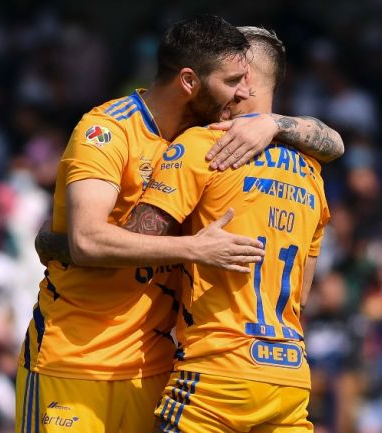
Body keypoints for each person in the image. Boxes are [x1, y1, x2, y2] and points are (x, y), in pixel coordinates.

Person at [23, 16, 342, 433]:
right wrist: (193, 248)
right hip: (76, 358)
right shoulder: (108, 130)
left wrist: (273, 122)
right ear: (191, 81)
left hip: (157, 366)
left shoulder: (205, 143)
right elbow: (88, 241)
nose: (242, 92)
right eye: (231, 81)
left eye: (246, 82)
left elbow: (333, 140)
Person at [122, 27, 329, 432]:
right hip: (289, 379)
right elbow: (302, 293)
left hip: (218, 375)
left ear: (243, 80)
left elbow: (134, 243)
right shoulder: (312, 173)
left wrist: (71, 238)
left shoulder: (204, 146)